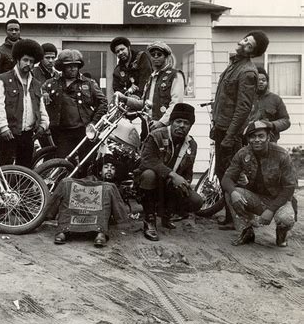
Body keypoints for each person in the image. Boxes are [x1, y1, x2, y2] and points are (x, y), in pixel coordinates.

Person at [211, 30, 269, 228]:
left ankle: (240, 220)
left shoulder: (247, 72)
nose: (243, 43)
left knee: (230, 175)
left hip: (230, 132)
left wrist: (230, 135)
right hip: (222, 127)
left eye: (249, 45)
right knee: (222, 172)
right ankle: (230, 216)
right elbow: (225, 99)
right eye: (245, 40)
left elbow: (243, 108)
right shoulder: (234, 64)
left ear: (252, 52)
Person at [221, 121, 296, 247]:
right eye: (252, 136)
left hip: (279, 200)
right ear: (248, 139)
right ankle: (246, 231)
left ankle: (281, 234)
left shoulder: (282, 155)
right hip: (256, 198)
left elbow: (289, 187)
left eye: (261, 136)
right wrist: (233, 192)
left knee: (286, 219)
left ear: (268, 137)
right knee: (230, 194)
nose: (257, 140)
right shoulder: (243, 153)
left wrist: (271, 210)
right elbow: (226, 179)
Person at [136, 103, 203, 241]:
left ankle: (167, 213)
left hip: (169, 185)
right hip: (149, 182)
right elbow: (147, 161)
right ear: (171, 122)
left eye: (186, 123)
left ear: (190, 126)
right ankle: (149, 220)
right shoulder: (156, 136)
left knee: (196, 201)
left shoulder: (191, 144)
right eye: (178, 121)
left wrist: (185, 184)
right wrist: (172, 175)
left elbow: (188, 171)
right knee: (149, 174)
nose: (181, 126)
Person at [0, 39, 49, 168]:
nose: (28, 64)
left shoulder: (36, 84)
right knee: (5, 169)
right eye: (25, 60)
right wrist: (3, 127)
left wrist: (43, 124)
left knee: (25, 170)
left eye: (31, 61)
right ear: (18, 60)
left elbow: (41, 107)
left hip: (28, 135)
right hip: (8, 134)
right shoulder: (2, 80)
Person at [45, 154, 128, 247]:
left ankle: (101, 232)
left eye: (112, 168)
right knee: (66, 183)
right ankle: (63, 230)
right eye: (106, 167)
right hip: (81, 209)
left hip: (97, 217)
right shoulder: (91, 178)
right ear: (100, 171)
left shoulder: (113, 187)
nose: (109, 170)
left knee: (109, 188)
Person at [42, 49, 108, 159]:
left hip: (84, 131)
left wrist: (94, 123)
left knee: (86, 162)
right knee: (63, 162)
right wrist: (43, 93)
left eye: (75, 66)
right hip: (62, 132)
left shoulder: (89, 83)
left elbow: (103, 102)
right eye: (69, 66)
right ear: (62, 67)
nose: (73, 68)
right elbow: (38, 92)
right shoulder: (52, 83)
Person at [248, 66, 290, 142]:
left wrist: (272, 125)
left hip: (270, 141)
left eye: (263, 80)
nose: (261, 82)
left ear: (267, 82)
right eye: (258, 80)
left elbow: (286, 121)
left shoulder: (275, 99)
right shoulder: (247, 98)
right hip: (250, 140)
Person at [0, 19, 22, 89]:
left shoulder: (26, 49)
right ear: (6, 32)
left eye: (16, 30)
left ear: (20, 31)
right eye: (11, 30)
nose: (14, 32)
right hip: (8, 90)